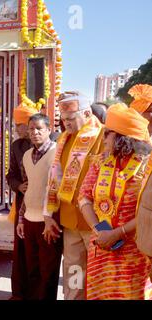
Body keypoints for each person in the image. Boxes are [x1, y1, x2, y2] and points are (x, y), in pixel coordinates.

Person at [79, 103, 152, 299]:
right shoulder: (99, 162)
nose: (102, 139)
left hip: (133, 253)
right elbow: (84, 197)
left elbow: (148, 212)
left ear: (123, 138)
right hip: (102, 247)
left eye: (107, 134)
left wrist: (118, 232)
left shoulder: (147, 168)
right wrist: (99, 230)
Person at [45, 92, 104, 300]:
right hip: (70, 222)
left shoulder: (104, 137)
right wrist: (48, 214)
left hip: (97, 224)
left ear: (87, 113)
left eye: (70, 119)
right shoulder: (63, 139)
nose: (65, 124)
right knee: (74, 274)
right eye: (62, 119)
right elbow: (54, 178)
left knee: (99, 276)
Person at [17, 113, 62, 300]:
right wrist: (21, 219)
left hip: (48, 222)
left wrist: (50, 218)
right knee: (32, 269)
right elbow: (28, 188)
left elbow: (57, 188)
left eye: (39, 129)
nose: (34, 132)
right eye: (31, 129)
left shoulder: (57, 153)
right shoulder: (27, 155)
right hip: (29, 220)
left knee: (48, 271)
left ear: (49, 130)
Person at [6, 103, 36, 300]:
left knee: (37, 252)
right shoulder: (16, 146)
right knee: (20, 250)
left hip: (42, 205)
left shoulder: (49, 144)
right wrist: (18, 186)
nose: (17, 129)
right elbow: (11, 175)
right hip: (23, 201)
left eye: (19, 125)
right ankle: (18, 294)